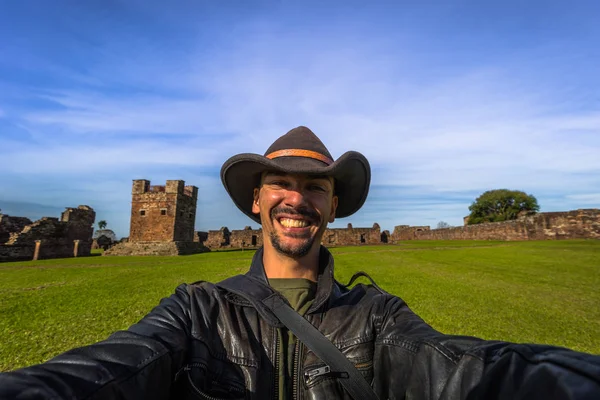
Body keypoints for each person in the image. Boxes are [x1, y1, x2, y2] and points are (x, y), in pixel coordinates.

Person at [1, 126, 599, 400]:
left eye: (316, 188)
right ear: (257, 200)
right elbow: (104, 370)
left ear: (333, 207)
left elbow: (461, 368)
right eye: (281, 184)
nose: (298, 200)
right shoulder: (196, 309)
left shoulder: (377, 316)